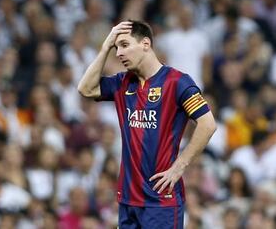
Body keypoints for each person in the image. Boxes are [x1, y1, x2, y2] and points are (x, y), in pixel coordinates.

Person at [77, 20, 216, 228]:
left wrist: (180, 166)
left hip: (161, 201)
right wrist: (106, 46)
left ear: (145, 44)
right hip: (128, 199)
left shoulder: (178, 82)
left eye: (124, 45)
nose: (118, 54)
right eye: (116, 48)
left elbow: (207, 124)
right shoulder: (123, 82)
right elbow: (85, 89)